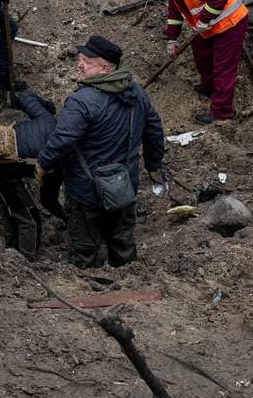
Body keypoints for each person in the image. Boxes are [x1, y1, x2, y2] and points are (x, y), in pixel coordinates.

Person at [35, 35, 165, 268]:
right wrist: (153, 164)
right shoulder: (136, 92)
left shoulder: (82, 101)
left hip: (86, 192)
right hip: (124, 186)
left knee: (84, 248)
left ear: (105, 68)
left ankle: (87, 286)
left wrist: (43, 164)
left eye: (86, 61)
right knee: (122, 242)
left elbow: (62, 140)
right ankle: (127, 283)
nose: (79, 64)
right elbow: (154, 129)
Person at [153, 0, 251, 124]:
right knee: (201, 53)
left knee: (223, 67)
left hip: (231, 23)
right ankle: (209, 87)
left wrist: (204, 19)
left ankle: (222, 114)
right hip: (210, 26)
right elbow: (175, 9)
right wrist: (172, 38)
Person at [0, 87, 66, 254]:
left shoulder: (47, 120)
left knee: (11, 207)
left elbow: (25, 96)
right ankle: (25, 261)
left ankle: (11, 249)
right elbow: (48, 200)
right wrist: (67, 217)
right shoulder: (55, 160)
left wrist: (48, 107)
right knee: (29, 218)